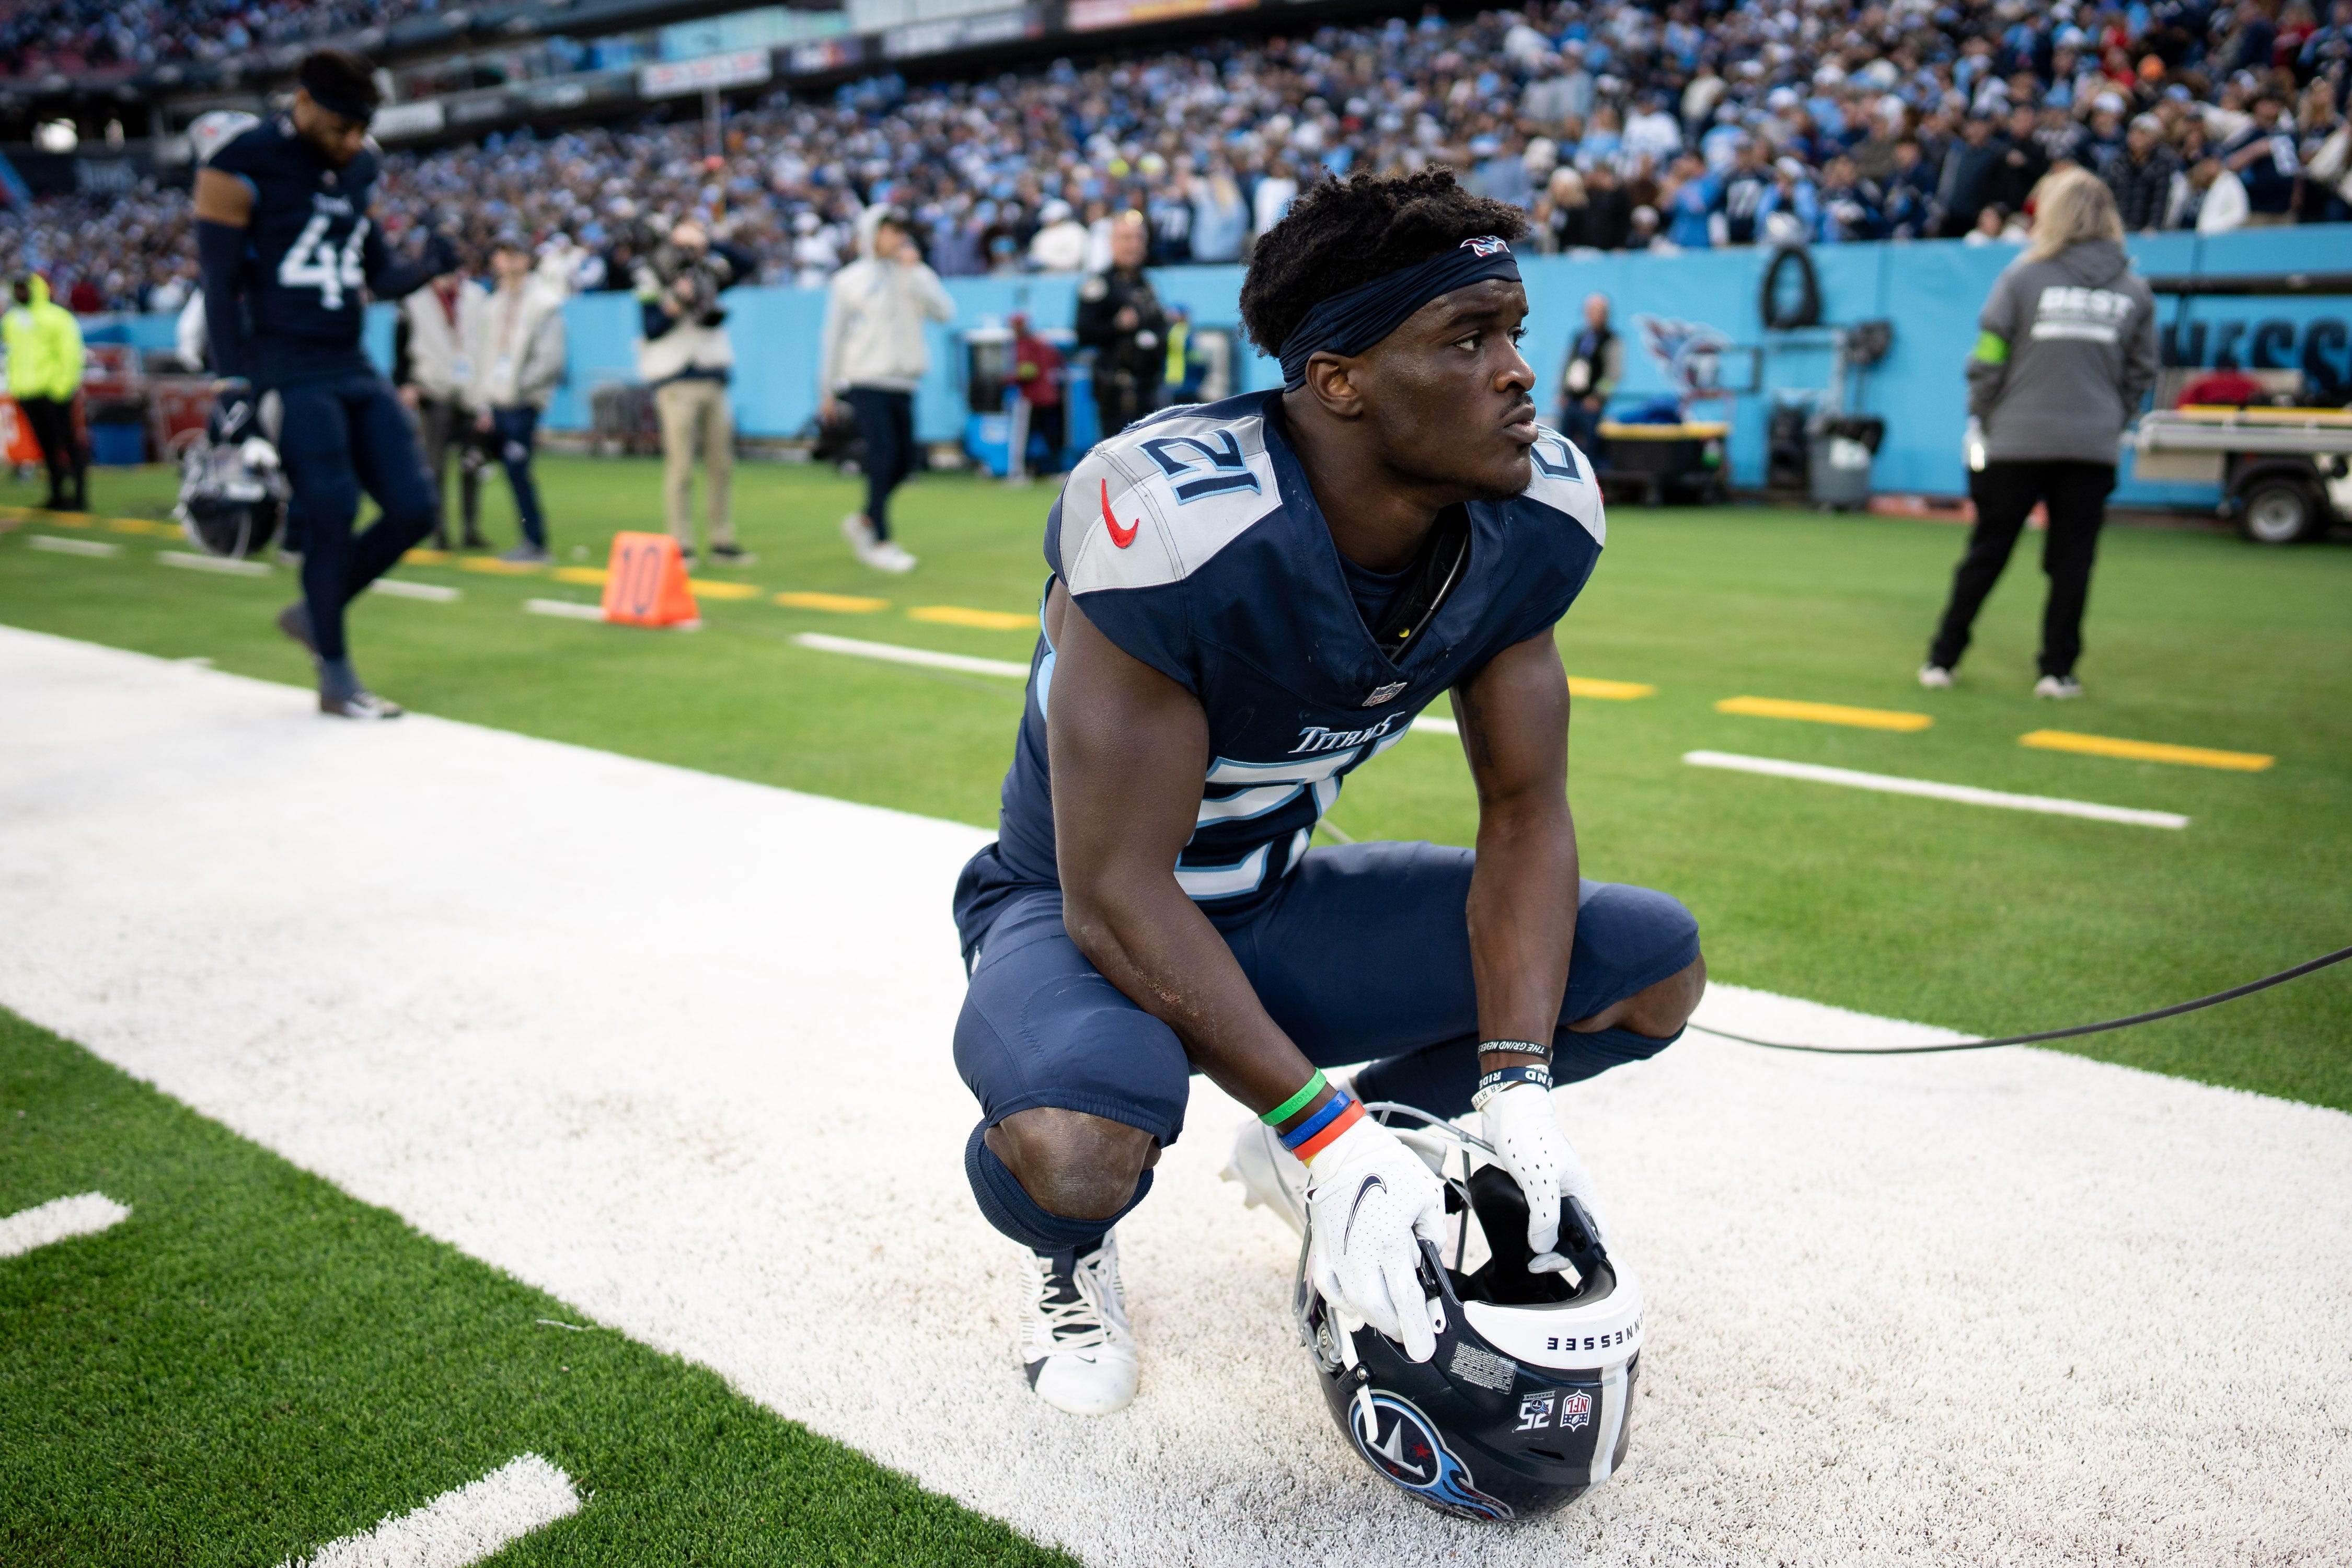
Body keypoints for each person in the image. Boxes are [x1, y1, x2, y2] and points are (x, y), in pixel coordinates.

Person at [950, 168, 1705, 1418]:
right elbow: (1116, 891)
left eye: (1512, 332)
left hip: (1268, 902)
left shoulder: (1526, 511)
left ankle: (1324, 1143)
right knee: (1079, 1146)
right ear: (1337, 379)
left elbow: (1522, 810)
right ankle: (1073, 1254)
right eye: (1466, 340)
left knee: (1645, 965)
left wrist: (1512, 1082)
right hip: (1077, 914)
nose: (1517, 372)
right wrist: (1324, 1124)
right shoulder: (1181, 523)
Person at [194, 48, 458, 719]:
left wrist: (429, 265)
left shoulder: (358, 164)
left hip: (350, 360)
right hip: (286, 362)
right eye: (339, 127)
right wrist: (233, 383)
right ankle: (337, 677)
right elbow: (221, 288)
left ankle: (316, 614)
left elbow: (379, 273)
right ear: (304, 104)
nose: (350, 143)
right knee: (333, 510)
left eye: (358, 130)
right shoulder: (236, 164)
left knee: (413, 508)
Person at [1922, 169, 2157, 700]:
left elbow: (1988, 356)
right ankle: (2058, 672)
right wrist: (2109, 419)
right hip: (2091, 447)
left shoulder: (2022, 278)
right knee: (2072, 563)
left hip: (2016, 440)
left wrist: (1982, 415)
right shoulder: (2133, 289)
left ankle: (1943, 658)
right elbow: (2142, 373)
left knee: (1987, 552)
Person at [819, 207, 954, 574]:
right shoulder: (850, 280)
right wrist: (826, 390)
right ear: (873, 234)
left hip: (904, 382)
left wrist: (918, 275)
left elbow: (945, 312)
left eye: (900, 231)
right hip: (865, 380)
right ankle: (880, 538)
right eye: (889, 231)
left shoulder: (915, 274)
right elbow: (832, 338)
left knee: (905, 462)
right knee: (882, 458)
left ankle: (865, 519)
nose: (897, 238)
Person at [637, 217, 758, 568]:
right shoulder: (653, 273)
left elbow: (747, 263)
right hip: (675, 379)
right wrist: (675, 301)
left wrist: (711, 244)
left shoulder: (710, 268)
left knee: (722, 465)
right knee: (681, 468)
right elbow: (650, 326)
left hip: (713, 376)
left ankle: (722, 540)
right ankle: (681, 543)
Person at [467, 236, 568, 564]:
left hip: (522, 402)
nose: (507, 262)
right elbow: (484, 356)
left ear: (526, 260)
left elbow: (550, 359)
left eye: (514, 254)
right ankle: (472, 531)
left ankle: (534, 540)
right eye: (502, 254)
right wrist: (485, 401)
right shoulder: (493, 305)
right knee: (482, 463)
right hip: (497, 401)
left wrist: (520, 389)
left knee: (518, 469)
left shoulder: (543, 302)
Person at [394, 263, 489, 550]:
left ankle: (471, 528)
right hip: (433, 390)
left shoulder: (475, 298)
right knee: (434, 465)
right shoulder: (415, 301)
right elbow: (401, 347)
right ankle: (437, 529)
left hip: (470, 391)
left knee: (473, 462)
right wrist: (405, 383)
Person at [1075, 211, 1167, 443]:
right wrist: (1117, 325)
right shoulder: (1099, 285)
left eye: (1139, 239)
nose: (1133, 246)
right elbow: (1083, 332)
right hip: (1115, 387)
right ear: (1112, 243)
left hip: (1149, 386)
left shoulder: (1147, 285)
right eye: (1126, 238)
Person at [4, 274, 85, 512]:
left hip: (53, 392)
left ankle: (79, 495)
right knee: (46, 446)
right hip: (27, 392)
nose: (20, 293)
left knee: (68, 443)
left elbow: (70, 353)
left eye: (24, 288)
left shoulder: (57, 317)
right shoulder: (13, 320)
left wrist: (62, 387)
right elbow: (13, 355)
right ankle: (56, 494)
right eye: (16, 289)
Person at [1558, 291, 1621, 454]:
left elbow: (1613, 375)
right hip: (1572, 401)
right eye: (1591, 311)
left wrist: (1598, 398)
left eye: (1600, 312)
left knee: (1589, 451)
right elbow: (1566, 365)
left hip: (1591, 406)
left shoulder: (1611, 340)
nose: (1595, 316)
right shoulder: (1579, 337)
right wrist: (1562, 391)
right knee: (1564, 446)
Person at [1007, 312, 1066, 479]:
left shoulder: (1025, 344)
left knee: (1022, 437)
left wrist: (1007, 380)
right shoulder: (1044, 342)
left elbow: (1028, 372)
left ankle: (1019, 473)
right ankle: (1056, 470)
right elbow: (1059, 363)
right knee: (1051, 436)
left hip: (1032, 397)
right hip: (1051, 396)